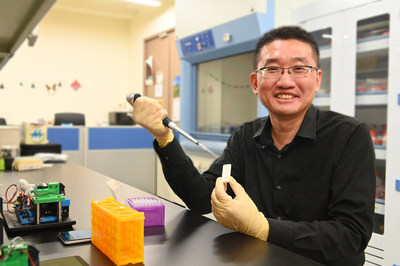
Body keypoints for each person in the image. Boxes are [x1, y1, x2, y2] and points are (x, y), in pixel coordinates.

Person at [129, 26, 376, 265]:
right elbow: (201, 199)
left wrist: (262, 227)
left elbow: (351, 237)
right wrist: (165, 138)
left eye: (299, 68)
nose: (285, 81)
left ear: (317, 78)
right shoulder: (247, 136)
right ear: (255, 83)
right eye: (272, 69)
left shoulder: (349, 136)